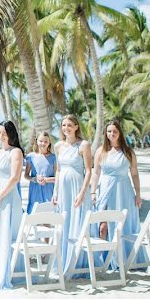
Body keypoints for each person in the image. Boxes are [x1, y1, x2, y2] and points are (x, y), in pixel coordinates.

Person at [94, 119, 148, 270]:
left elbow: (135, 174)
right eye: (109, 131)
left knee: (125, 225)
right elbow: (96, 173)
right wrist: (93, 191)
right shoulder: (101, 151)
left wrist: (138, 194)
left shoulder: (128, 152)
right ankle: (103, 261)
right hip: (105, 191)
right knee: (103, 226)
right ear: (106, 133)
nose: (112, 134)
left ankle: (126, 260)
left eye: (115, 131)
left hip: (124, 191)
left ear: (120, 133)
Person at [52, 114, 98, 278]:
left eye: (69, 125)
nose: (66, 128)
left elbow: (88, 171)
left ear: (76, 126)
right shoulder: (58, 146)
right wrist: (55, 191)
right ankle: (63, 261)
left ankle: (78, 262)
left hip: (77, 189)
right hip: (63, 191)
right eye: (64, 125)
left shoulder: (84, 145)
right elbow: (58, 170)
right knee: (64, 222)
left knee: (77, 222)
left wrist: (82, 192)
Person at [0, 121, 25, 290]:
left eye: (4, 132)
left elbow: (15, 178)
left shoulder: (16, 152)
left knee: (7, 233)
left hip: (8, 199)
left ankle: (6, 272)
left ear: (11, 133)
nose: (1, 136)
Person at [25, 131, 57, 214]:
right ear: (36, 141)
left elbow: (58, 177)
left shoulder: (54, 158)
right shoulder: (30, 157)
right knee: (33, 217)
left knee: (48, 218)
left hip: (49, 190)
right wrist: (35, 179)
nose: (43, 143)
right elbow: (26, 176)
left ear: (49, 143)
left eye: (46, 141)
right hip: (34, 190)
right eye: (41, 141)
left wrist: (46, 180)